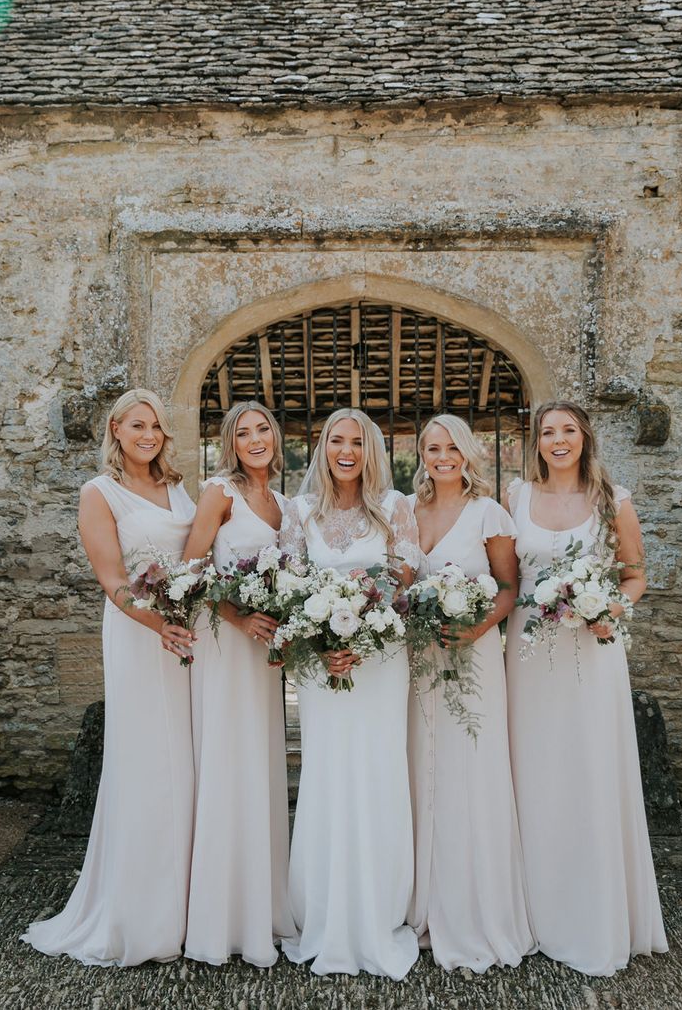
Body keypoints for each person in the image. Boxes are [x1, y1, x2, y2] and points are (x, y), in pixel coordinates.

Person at [22, 389, 196, 966]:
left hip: (188, 636)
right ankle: (140, 914)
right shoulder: (97, 493)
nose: (150, 435)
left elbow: (197, 556)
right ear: (116, 429)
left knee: (189, 762)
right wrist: (158, 625)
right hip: (140, 635)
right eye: (138, 425)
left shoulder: (176, 488)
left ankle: (191, 907)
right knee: (147, 762)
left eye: (157, 427)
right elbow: (112, 579)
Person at [505, 400, 668, 975]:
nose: (557, 440)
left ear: (584, 436)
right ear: (537, 441)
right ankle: (531, 908)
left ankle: (592, 911)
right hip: (528, 655)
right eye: (547, 432)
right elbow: (502, 574)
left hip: (591, 652)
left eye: (567, 430)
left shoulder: (612, 500)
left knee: (590, 768)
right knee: (533, 768)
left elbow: (636, 573)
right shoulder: (515, 498)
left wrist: (612, 609)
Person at [279, 408, 420, 977]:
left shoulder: (394, 507)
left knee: (378, 769)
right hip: (322, 664)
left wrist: (363, 626)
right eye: (336, 440)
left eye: (356, 442)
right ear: (322, 448)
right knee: (328, 771)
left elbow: (406, 573)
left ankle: (378, 905)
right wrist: (320, 641)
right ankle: (324, 905)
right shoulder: (299, 511)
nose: (345, 451)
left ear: (372, 450)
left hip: (380, 658)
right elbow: (287, 582)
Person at [406, 414, 535, 972]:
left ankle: (474, 908)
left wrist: (476, 628)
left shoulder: (490, 512)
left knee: (469, 769)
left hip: (472, 654)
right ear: (423, 456)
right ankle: (421, 905)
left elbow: (509, 589)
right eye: (433, 448)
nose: (443, 456)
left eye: (452, 446)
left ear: (467, 452)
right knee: (420, 770)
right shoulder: (406, 512)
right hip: (417, 660)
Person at [181, 401, 295, 966]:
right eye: (243, 432)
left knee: (261, 763)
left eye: (263, 430)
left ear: (276, 437)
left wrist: (284, 632)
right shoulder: (219, 492)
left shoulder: (286, 503)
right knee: (229, 761)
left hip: (264, 652)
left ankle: (263, 904)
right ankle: (221, 916)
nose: (255, 439)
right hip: (227, 645)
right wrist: (239, 618)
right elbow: (192, 567)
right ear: (231, 442)